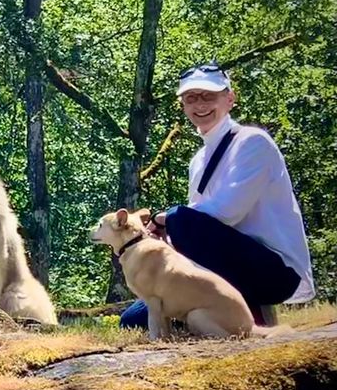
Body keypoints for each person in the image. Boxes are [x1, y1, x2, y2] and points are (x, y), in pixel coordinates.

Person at [120, 63, 314, 330]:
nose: (200, 104)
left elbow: (227, 211)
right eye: (191, 98)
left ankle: (253, 314)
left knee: (180, 218)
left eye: (209, 95)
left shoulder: (252, 142)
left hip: (274, 271)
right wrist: (166, 236)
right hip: (223, 268)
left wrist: (167, 220)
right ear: (184, 106)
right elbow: (198, 225)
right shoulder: (198, 161)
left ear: (230, 99)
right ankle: (222, 315)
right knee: (132, 320)